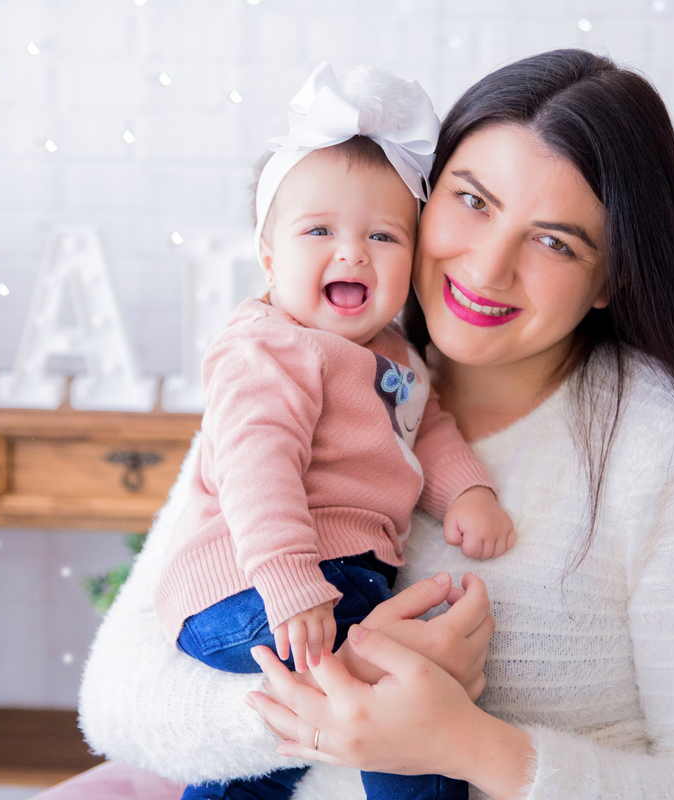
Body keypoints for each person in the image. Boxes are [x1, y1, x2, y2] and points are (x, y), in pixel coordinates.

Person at [80, 49, 674, 800]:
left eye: (555, 241)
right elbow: (115, 697)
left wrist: (467, 743)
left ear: (612, 278)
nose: (489, 267)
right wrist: (335, 698)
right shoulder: (300, 369)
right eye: (472, 201)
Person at [153, 61, 514, 800]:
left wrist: (467, 492)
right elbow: (259, 467)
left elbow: (429, 429)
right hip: (249, 582)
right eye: (318, 231)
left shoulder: (394, 358)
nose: (351, 252)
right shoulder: (270, 347)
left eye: (382, 236)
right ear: (268, 256)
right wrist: (288, 580)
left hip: (333, 581)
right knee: (403, 680)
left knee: (278, 749)